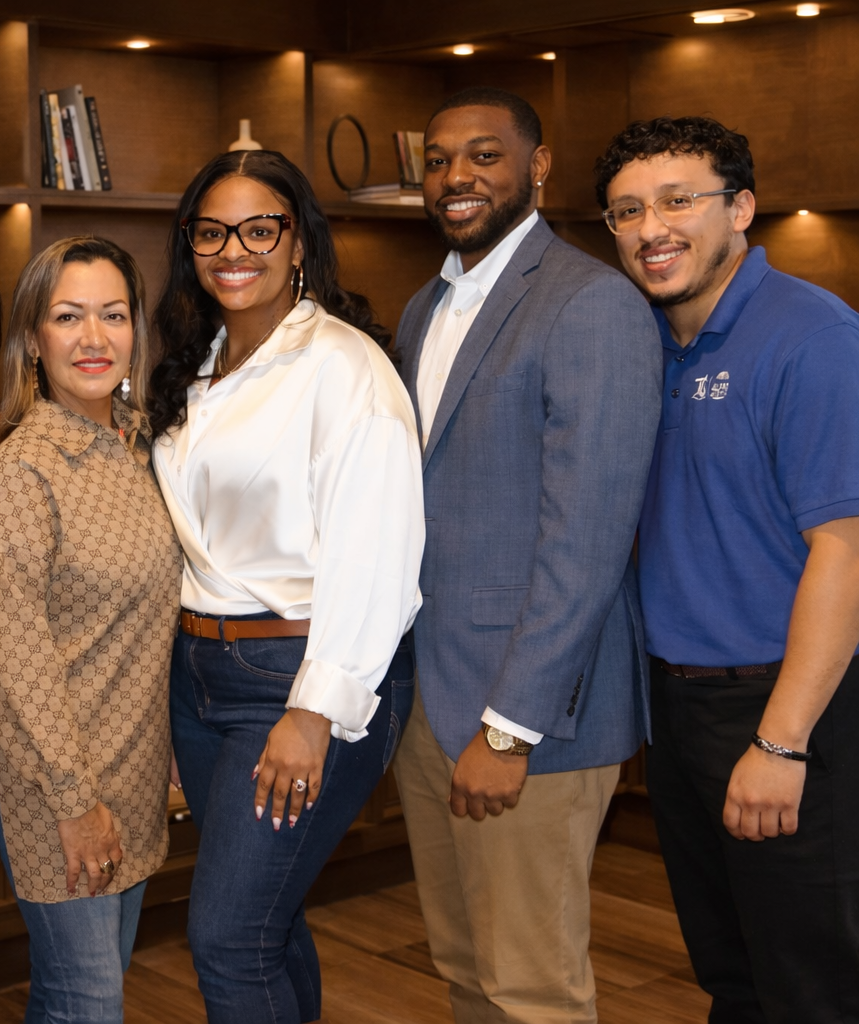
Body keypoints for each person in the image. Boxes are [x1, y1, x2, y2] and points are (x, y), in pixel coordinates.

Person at [392, 88, 660, 1024]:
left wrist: (510, 729)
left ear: (537, 166)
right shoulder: (426, 307)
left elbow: (585, 543)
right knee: (467, 971)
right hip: (431, 705)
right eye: (437, 160)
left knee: (532, 989)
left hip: (527, 719)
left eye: (483, 156)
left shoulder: (591, 304)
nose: (456, 177)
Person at [146, 149, 423, 1024]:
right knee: (266, 926)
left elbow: (377, 553)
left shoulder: (345, 369)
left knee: (229, 940)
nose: (235, 249)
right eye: (212, 231)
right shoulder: (201, 360)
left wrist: (314, 712)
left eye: (259, 228)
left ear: (296, 238)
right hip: (201, 678)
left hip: (296, 677)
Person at [597, 115, 859, 1022]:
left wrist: (781, 742)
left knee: (814, 986)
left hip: (792, 711)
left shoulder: (813, 337)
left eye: (678, 200)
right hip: (680, 709)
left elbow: (846, 550)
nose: (649, 229)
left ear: (742, 207)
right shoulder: (644, 340)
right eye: (626, 210)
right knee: (731, 974)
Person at [0, 236, 182, 1023]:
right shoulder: (26, 471)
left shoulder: (140, 444)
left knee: (88, 993)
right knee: (86, 1004)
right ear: (33, 339)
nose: (94, 338)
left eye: (113, 315)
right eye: (68, 317)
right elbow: (12, 661)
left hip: (132, 773)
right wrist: (72, 801)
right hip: (59, 785)